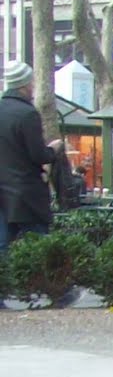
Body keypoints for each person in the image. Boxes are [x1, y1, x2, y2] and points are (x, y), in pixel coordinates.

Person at [0, 61, 55, 252]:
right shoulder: (28, 114)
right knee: (39, 247)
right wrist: (53, 150)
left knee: (3, 247)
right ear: (24, 84)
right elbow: (39, 155)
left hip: (2, 194)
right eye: (32, 82)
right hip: (27, 195)